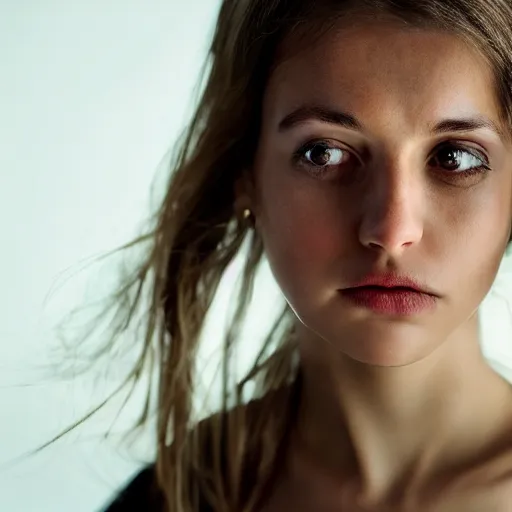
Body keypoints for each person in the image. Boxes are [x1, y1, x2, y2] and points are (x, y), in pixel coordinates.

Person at [97, 0, 512, 510]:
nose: (391, 230)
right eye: (324, 153)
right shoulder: (172, 498)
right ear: (245, 175)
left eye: (456, 157)